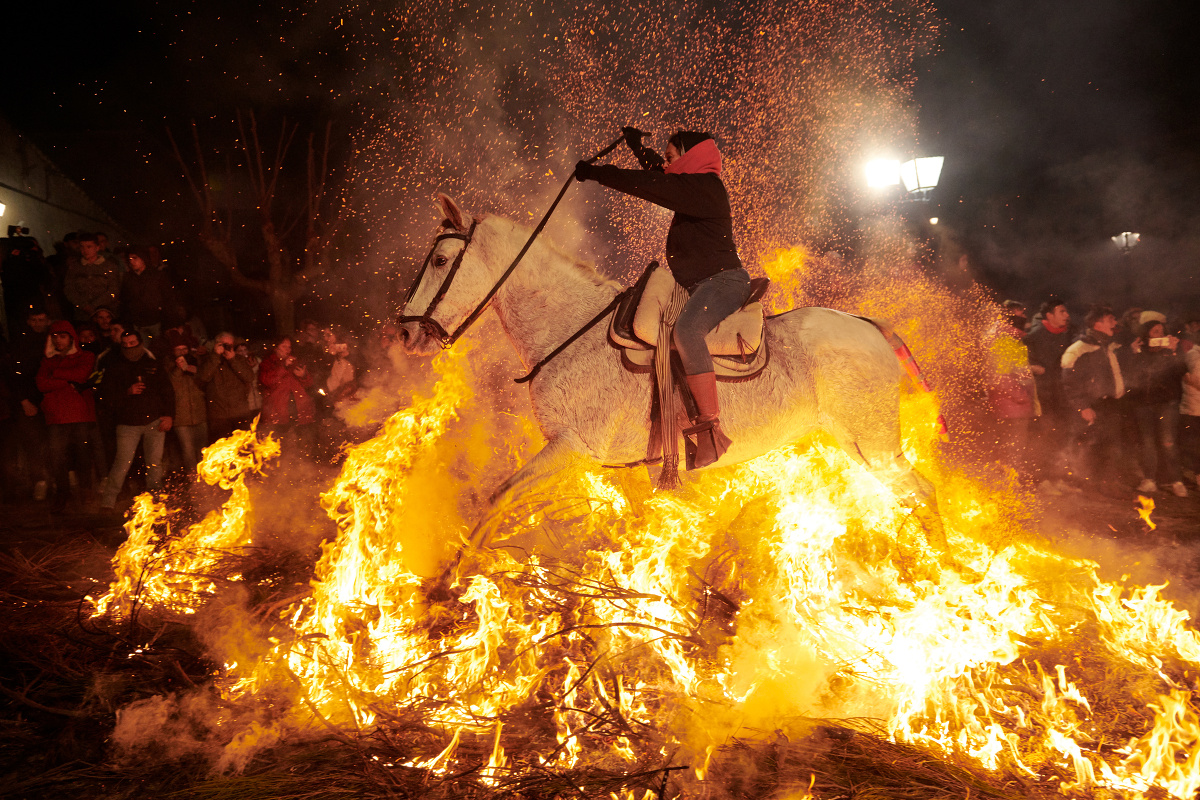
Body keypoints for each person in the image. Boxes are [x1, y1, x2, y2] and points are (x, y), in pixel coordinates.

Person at [574, 128, 750, 467]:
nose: (667, 164)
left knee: (686, 332)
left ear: (689, 157)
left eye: (672, 157)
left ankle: (710, 428)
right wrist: (639, 148)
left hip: (724, 282)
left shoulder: (706, 189)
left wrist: (597, 173)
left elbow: (654, 185)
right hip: (701, 285)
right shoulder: (694, 186)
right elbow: (661, 175)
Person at [97, 329, 174, 509]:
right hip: (127, 424)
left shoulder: (152, 364)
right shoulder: (115, 367)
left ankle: (156, 499)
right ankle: (108, 501)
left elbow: (167, 393)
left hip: (154, 421)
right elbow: (105, 397)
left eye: (133, 344)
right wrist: (127, 392)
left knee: (154, 463)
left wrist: (169, 415)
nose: (130, 347)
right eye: (126, 345)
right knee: (122, 463)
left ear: (140, 343)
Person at [1061, 305, 1127, 492]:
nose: (1115, 323)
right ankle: (1080, 484)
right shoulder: (1079, 349)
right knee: (1085, 445)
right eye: (1110, 319)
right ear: (1097, 324)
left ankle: (1108, 484)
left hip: (1109, 404)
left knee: (1110, 446)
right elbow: (1069, 382)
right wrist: (1083, 406)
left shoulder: (1108, 347)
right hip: (1090, 405)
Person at [36, 321, 98, 509]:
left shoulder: (85, 356)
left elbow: (81, 374)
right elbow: (41, 384)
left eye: (62, 336)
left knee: (83, 455)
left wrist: (55, 374)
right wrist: (66, 381)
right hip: (56, 415)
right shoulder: (47, 360)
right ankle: (63, 492)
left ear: (71, 338)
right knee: (57, 456)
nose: (58, 341)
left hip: (79, 414)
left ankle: (87, 490)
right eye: (54, 337)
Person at [1127, 316, 1188, 496]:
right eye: (1155, 332)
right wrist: (1134, 353)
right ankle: (1149, 479)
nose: (1160, 335)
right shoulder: (1140, 352)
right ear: (1146, 335)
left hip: (1167, 403)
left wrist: (1173, 352)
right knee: (1147, 442)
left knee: (1168, 442)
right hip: (1144, 403)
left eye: (1162, 331)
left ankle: (1176, 480)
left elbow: (1180, 372)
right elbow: (1132, 376)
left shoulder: (1171, 351)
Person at [1024, 298, 1074, 488]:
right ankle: (1040, 479)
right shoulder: (1034, 337)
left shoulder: (1068, 336)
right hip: (1042, 396)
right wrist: (1033, 368)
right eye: (1062, 312)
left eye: (1066, 312)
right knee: (1042, 436)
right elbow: (1019, 363)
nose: (1067, 315)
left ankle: (1057, 477)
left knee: (1060, 436)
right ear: (1049, 316)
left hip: (1062, 395)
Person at [987, 308, 1039, 481]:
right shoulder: (1004, 343)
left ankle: (1009, 483)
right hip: (1012, 407)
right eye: (1021, 316)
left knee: (1013, 449)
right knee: (1011, 449)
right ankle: (1006, 486)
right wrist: (1022, 397)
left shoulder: (1013, 342)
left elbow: (1017, 372)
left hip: (1016, 407)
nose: (1025, 318)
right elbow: (1000, 378)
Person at [257, 336, 316, 456]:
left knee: (303, 449)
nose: (287, 349)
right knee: (282, 450)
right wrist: (283, 366)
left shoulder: (295, 362)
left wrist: (304, 375)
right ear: (276, 348)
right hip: (279, 414)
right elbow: (266, 380)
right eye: (284, 346)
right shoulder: (268, 363)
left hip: (299, 412)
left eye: (289, 347)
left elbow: (309, 384)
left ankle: (303, 471)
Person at [198, 331, 256, 441]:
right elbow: (203, 378)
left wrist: (233, 359)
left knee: (244, 448)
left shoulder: (239, 359)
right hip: (219, 416)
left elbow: (249, 377)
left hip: (240, 413)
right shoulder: (208, 360)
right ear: (216, 344)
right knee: (222, 451)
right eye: (223, 344)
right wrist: (215, 356)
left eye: (229, 345)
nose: (226, 348)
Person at [166, 330, 208, 473]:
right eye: (178, 349)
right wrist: (179, 369)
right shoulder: (168, 365)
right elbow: (172, 385)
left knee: (203, 451)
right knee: (188, 452)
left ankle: (205, 479)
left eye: (184, 349)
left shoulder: (197, 361)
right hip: (181, 419)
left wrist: (189, 368)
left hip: (200, 414)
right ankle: (193, 483)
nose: (182, 352)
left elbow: (204, 379)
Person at [118, 246, 174, 346]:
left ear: (143, 258)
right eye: (130, 259)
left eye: (135, 258)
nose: (132, 261)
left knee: (159, 347)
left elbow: (168, 298)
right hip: (138, 323)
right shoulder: (128, 278)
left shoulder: (157, 276)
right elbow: (124, 299)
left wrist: (167, 321)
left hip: (157, 321)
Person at [64, 232, 120, 320]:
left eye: (89, 247)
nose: (85, 250)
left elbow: (114, 289)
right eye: (82, 247)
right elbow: (69, 289)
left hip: (105, 313)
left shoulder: (110, 266)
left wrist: (95, 306)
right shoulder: (74, 268)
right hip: (81, 314)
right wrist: (83, 305)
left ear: (97, 248)